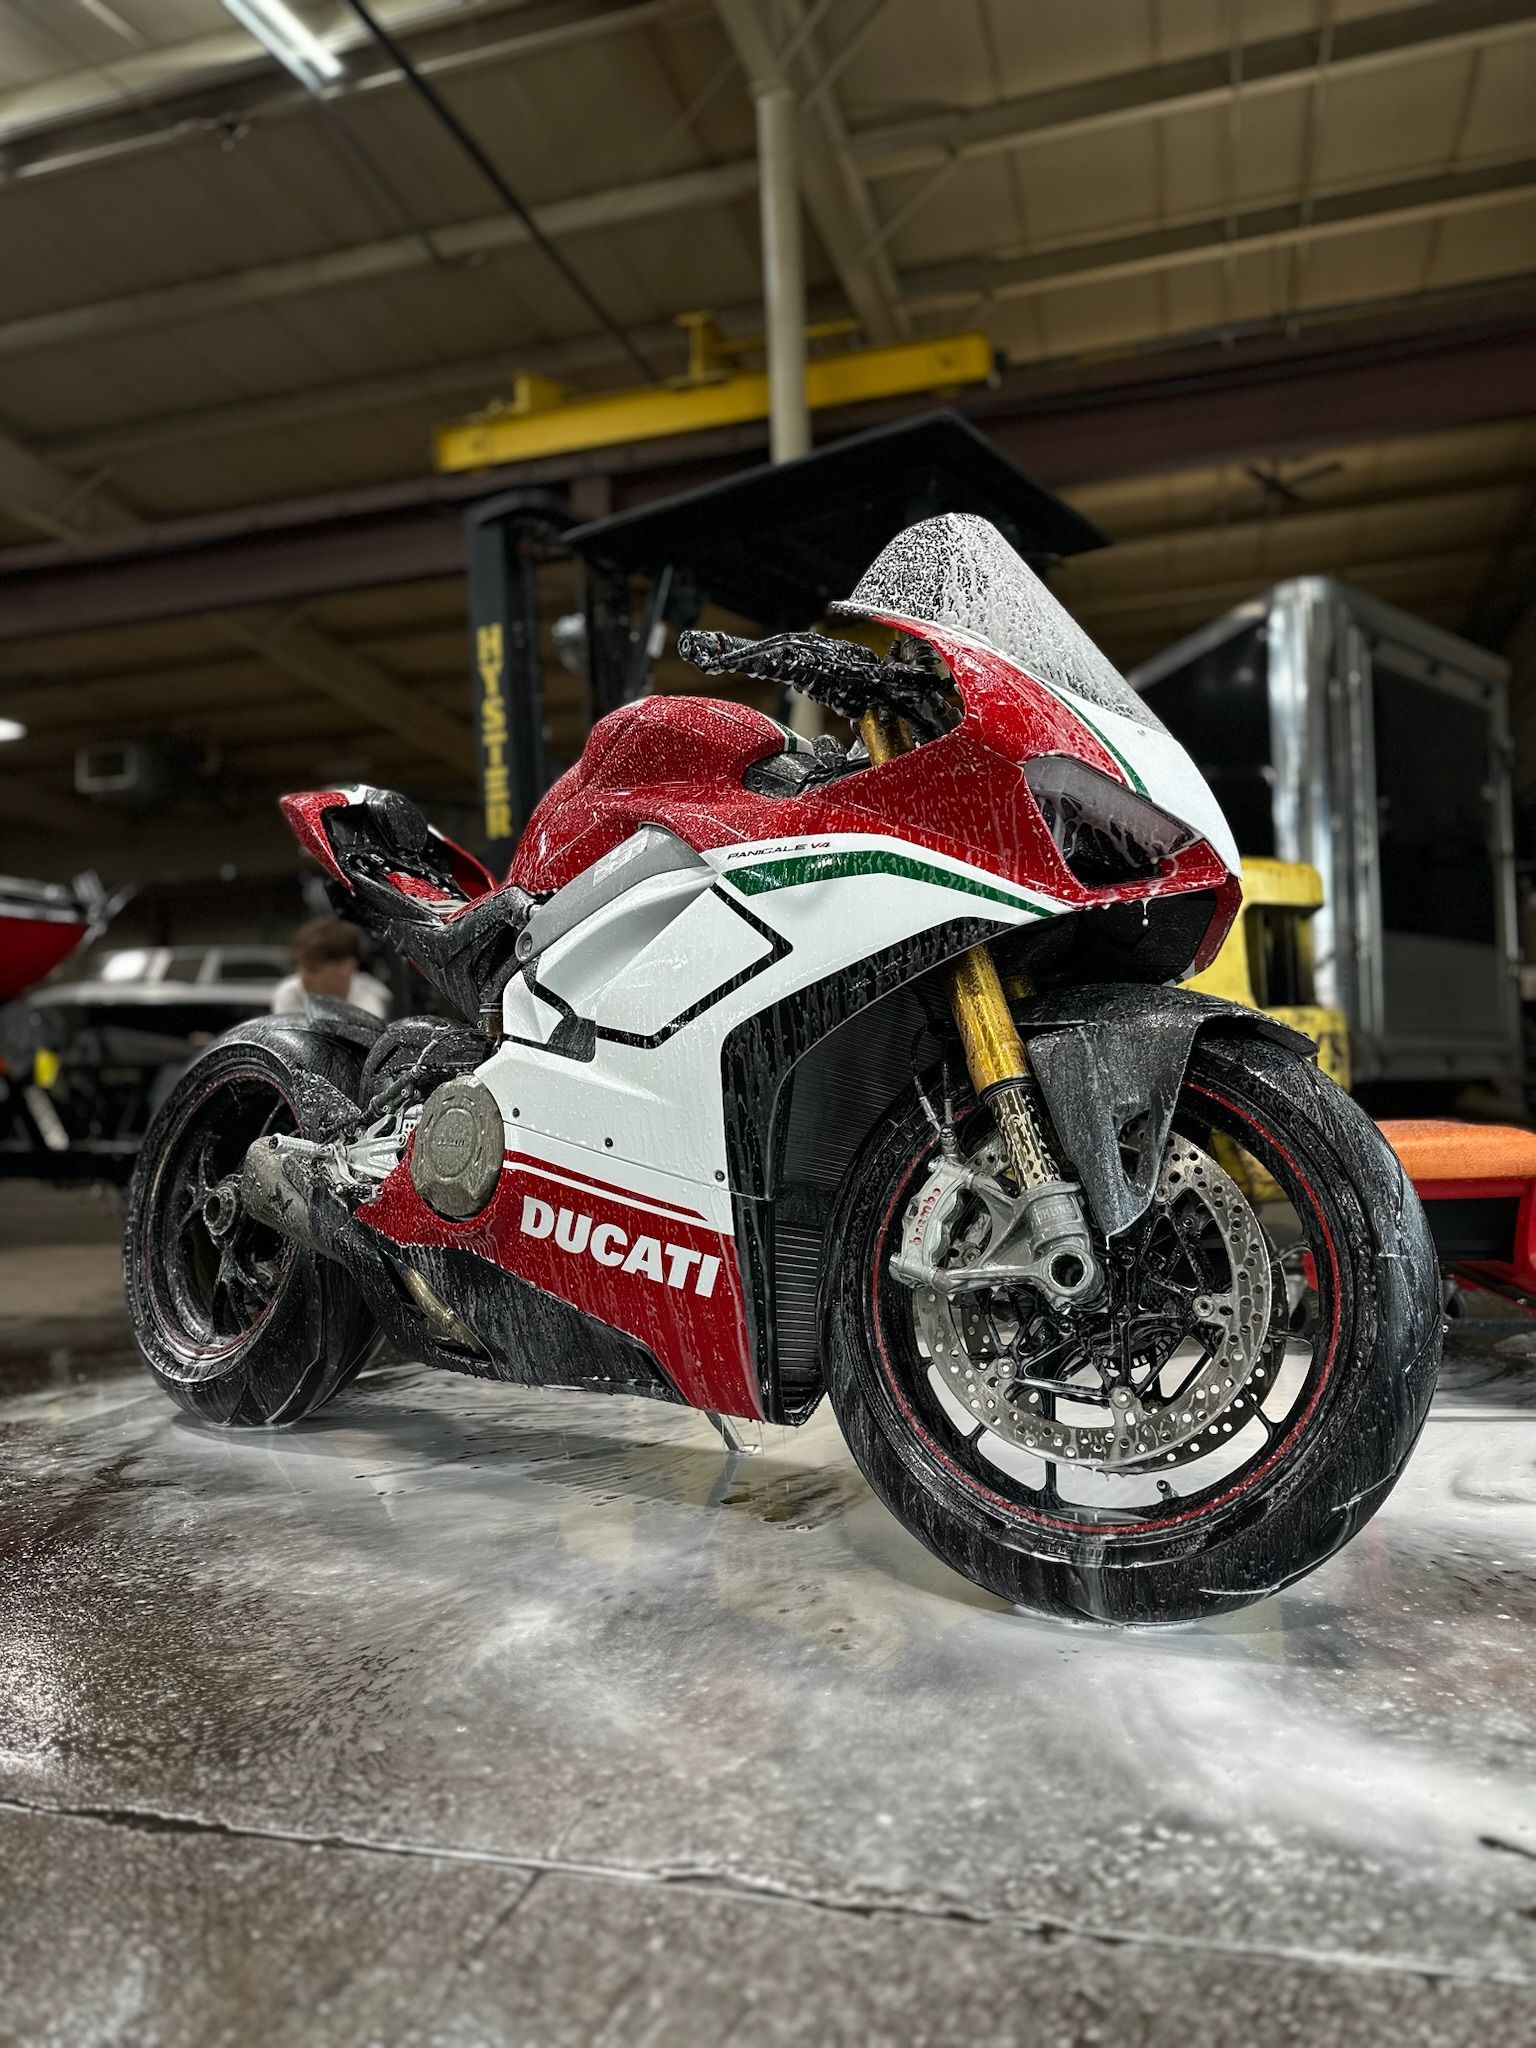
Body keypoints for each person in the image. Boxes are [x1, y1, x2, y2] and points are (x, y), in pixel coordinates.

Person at [271, 915, 391, 1020]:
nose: (303, 978)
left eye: (313, 970)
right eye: (299, 969)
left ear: (347, 967)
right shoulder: (290, 994)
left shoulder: (371, 1005)